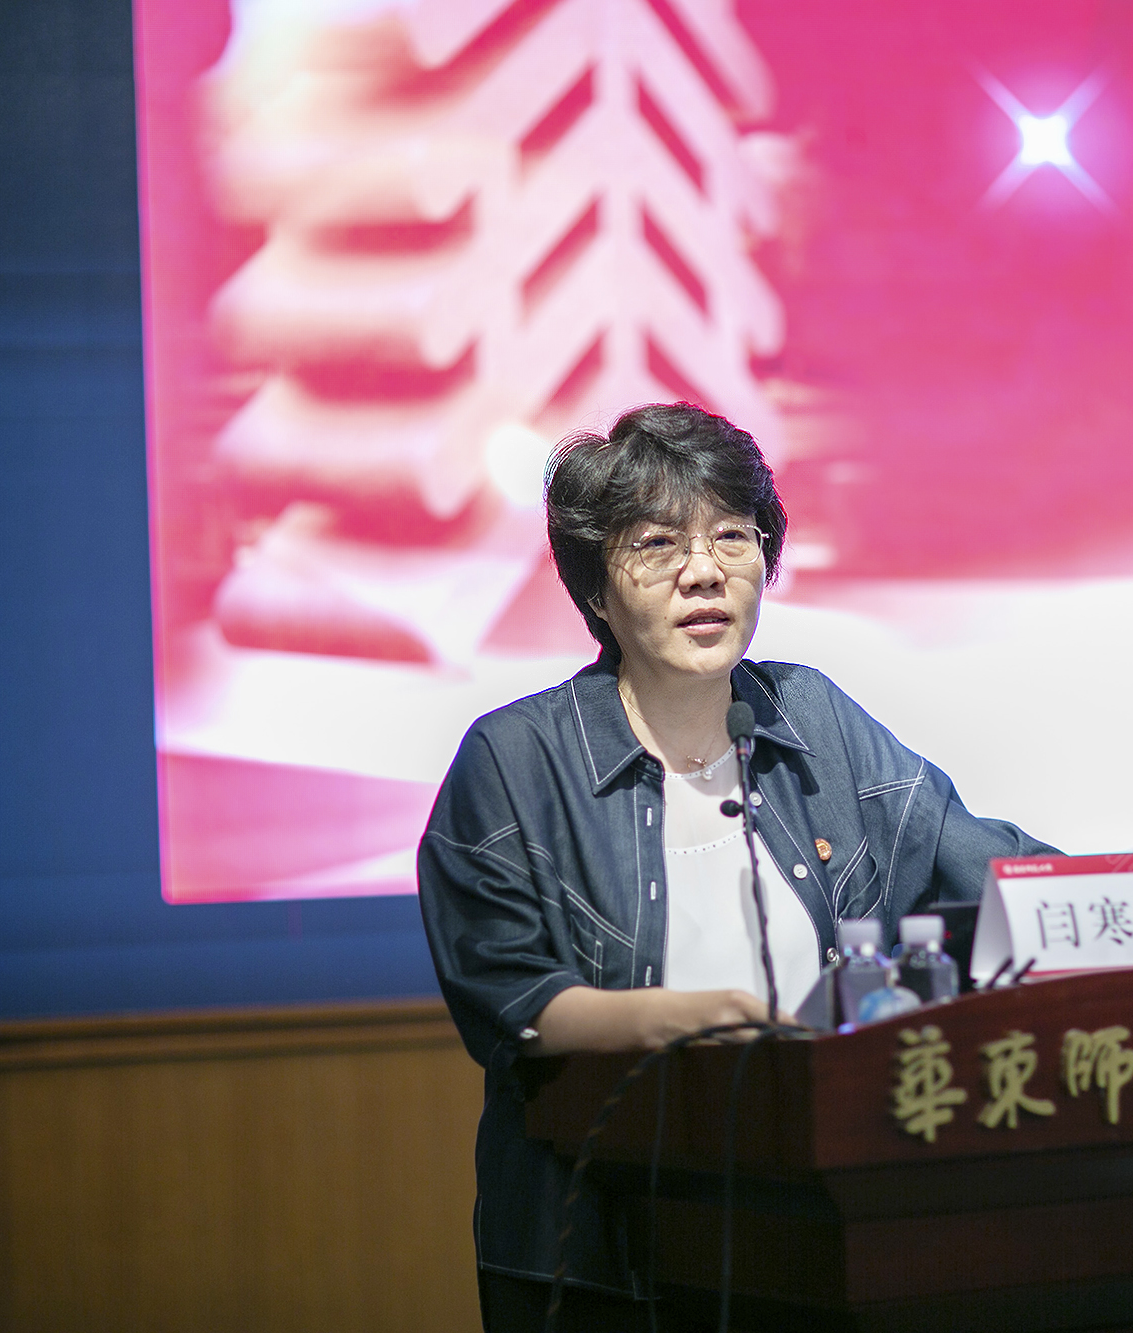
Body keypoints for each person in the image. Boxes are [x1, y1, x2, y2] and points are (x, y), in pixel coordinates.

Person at [418, 403, 1055, 1331]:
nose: (704, 570)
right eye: (656, 544)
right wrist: (685, 1021)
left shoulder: (811, 718)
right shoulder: (516, 759)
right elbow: (511, 997)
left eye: (732, 535)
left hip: (813, 1235)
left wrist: (1124, 903)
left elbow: (976, 860)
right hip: (601, 1255)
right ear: (596, 591)